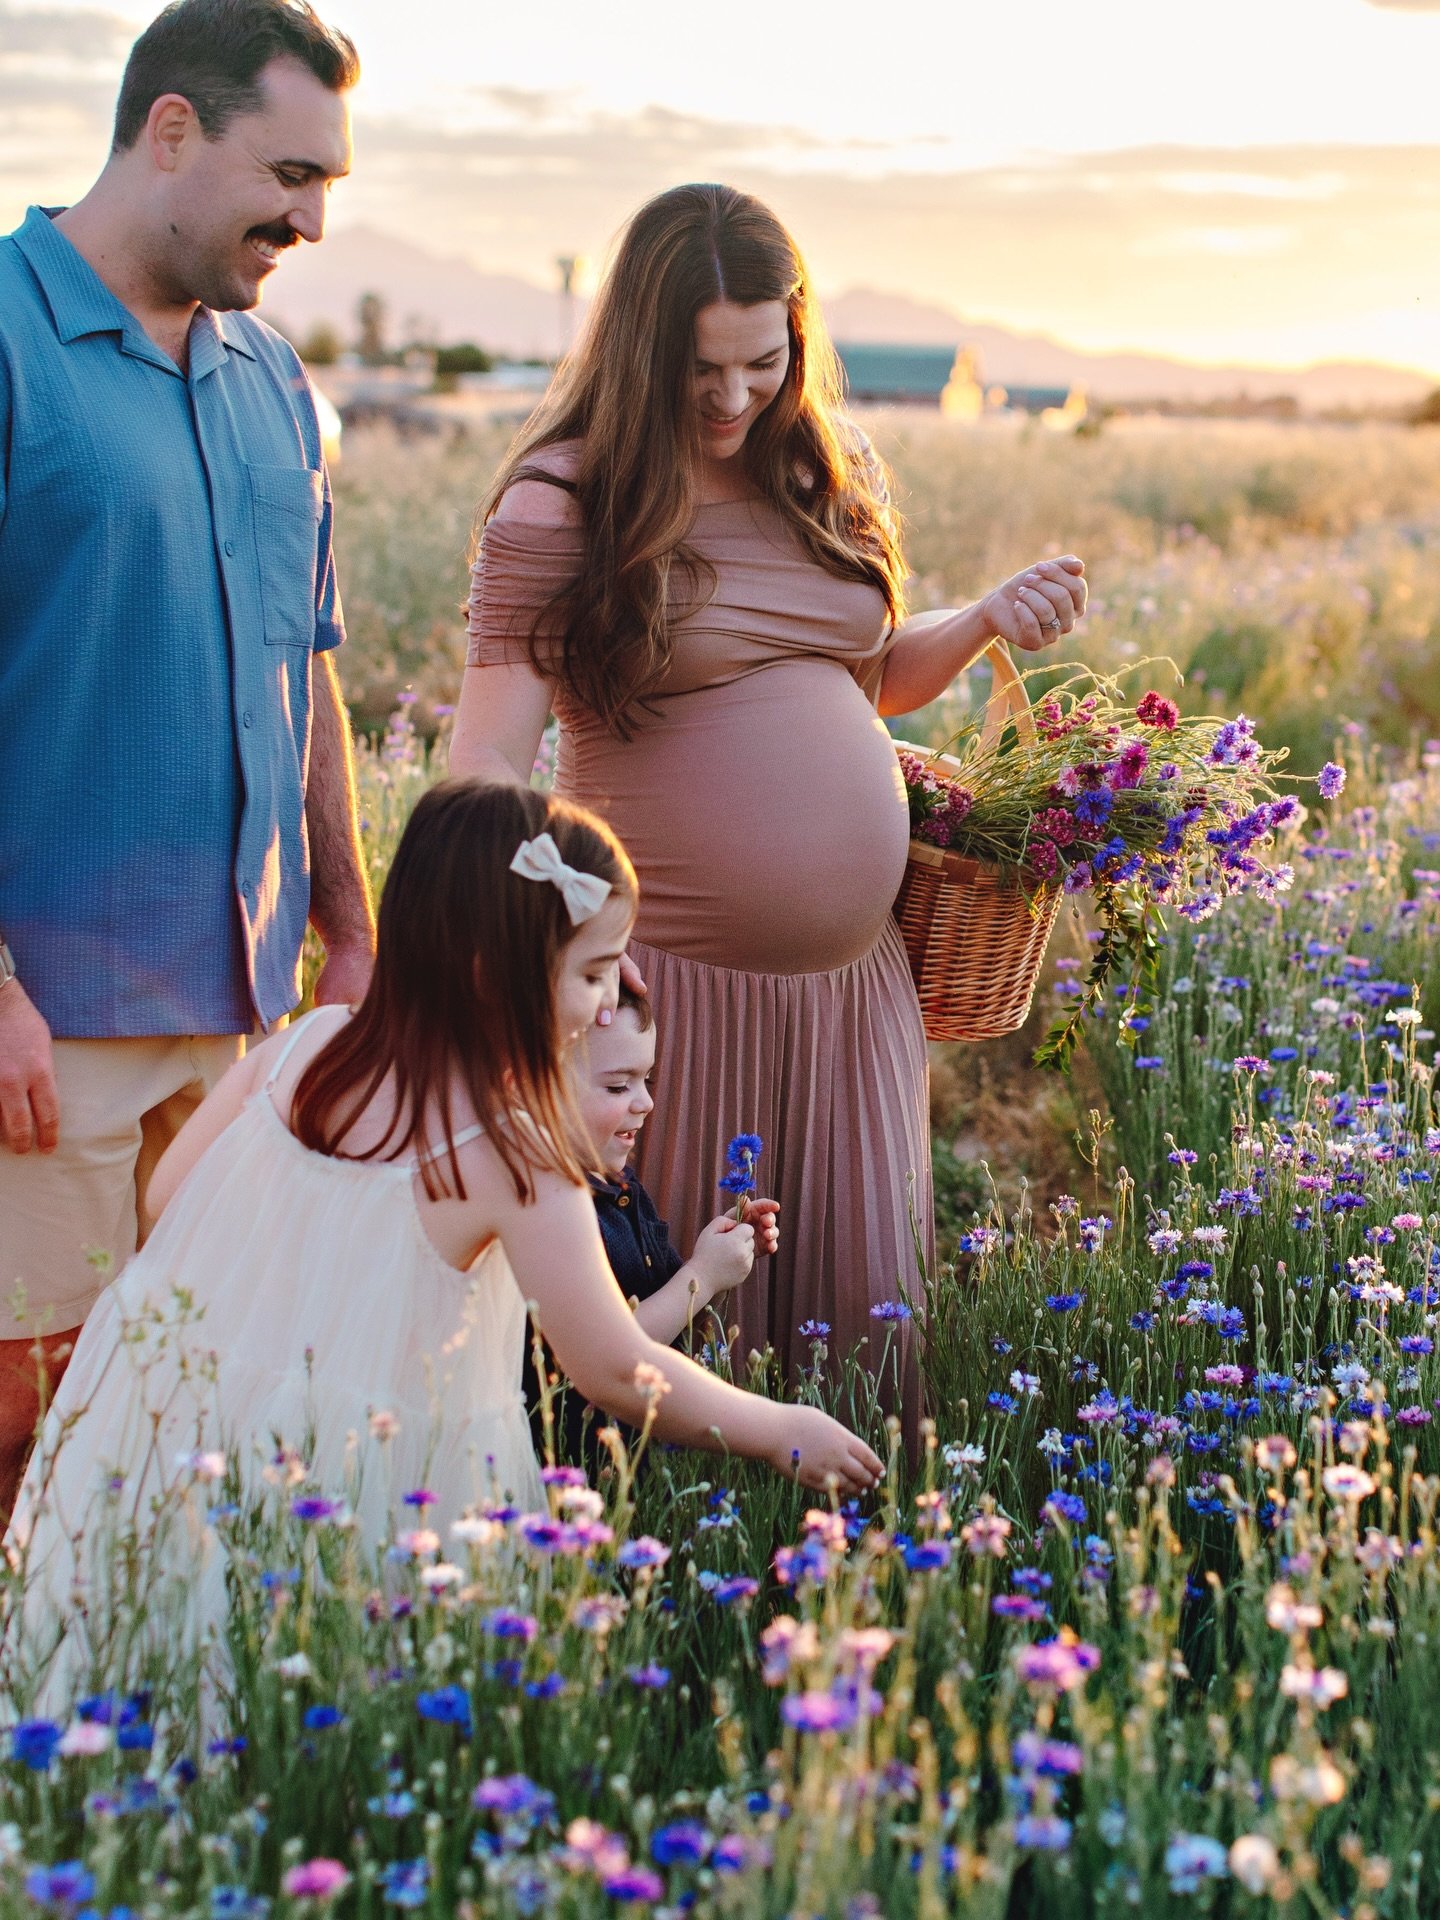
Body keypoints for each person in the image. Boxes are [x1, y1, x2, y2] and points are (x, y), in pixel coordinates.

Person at [7, 782, 882, 1703]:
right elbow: (616, 1368)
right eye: (593, 975)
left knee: (177, 1681)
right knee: (342, 1689)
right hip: (370, 1474)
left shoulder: (309, 1049)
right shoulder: (515, 1155)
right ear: (486, 972)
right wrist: (777, 1430)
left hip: (184, 1424)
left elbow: (166, 1192)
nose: (605, 1004)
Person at [449, 182, 1086, 1383]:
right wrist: (556, 944)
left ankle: (837, 1570)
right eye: (701, 368)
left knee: (853, 1340)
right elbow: (482, 758)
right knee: (674, 1342)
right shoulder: (565, 503)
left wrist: (985, 617)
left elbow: (863, 676)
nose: (735, 396)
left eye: (762, 360)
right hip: (668, 997)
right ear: (640, 349)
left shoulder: (815, 477)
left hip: (854, 997)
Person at [0, 0, 376, 1511]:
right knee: (30, 1432)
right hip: (47, 1033)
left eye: (332, 183)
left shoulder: (275, 382)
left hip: (246, 1015)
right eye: (291, 172)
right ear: (170, 130)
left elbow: (310, 675)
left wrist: (352, 927)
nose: (314, 218)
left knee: (185, 1434)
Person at [528, 982, 780, 1461]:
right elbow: (610, 1350)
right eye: (619, 1086)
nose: (644, 1102)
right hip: (579, 1464)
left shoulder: (621, 1188)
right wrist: (701, 1278)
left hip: (641, 1454)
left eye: (647, 1080)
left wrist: (715, 1254)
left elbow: (661, 1301)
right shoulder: (551, 1209)